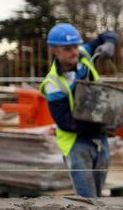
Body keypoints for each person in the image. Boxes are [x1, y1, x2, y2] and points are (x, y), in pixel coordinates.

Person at [40, 23, 118, 197]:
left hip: (100, 138)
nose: (74, 52)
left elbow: (108, 34)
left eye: (75, 46)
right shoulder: (53, 84)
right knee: (87, 198)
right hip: (77, 143)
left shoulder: (84, 55)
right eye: (67, 49)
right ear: (54, 50)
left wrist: (109, 44)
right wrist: (101, 124)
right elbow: (65, 122)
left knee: (98, 193)